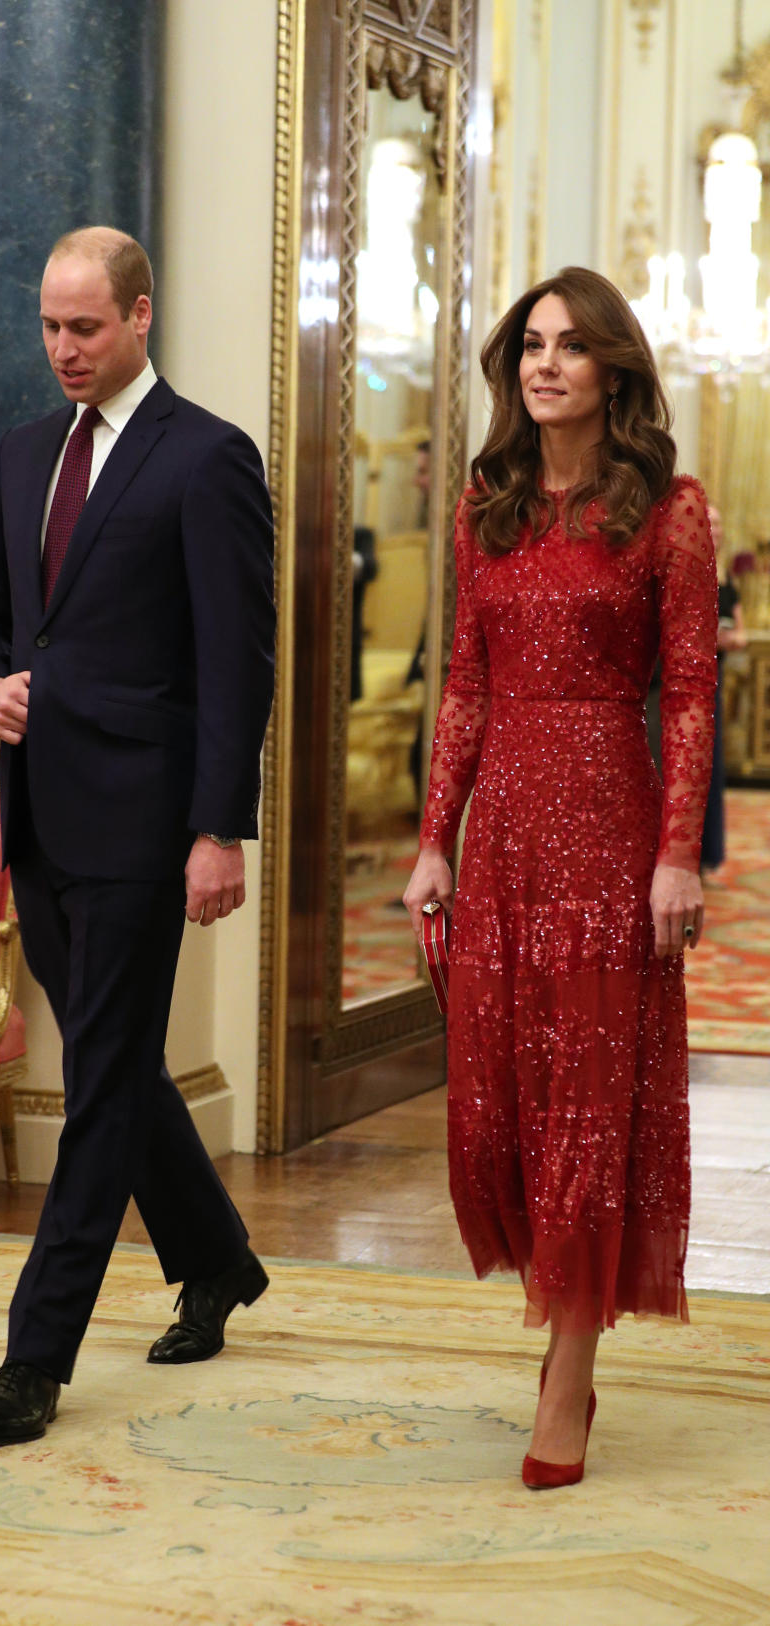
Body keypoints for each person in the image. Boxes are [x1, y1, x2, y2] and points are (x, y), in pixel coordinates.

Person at [0, 227, 276, 1448]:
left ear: (142, 316)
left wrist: (218, 831)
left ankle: (34, 1360)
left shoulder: (208, 459)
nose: (63, 349)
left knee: (96, 1086)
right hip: (40, 815)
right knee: (122, 1064)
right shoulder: (23, 452)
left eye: (85, 327)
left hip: (147, 828)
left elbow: (236, 668)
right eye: (49, 325)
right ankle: (218, 1259)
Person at [403, 266, 717, 1489]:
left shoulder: (667, 511)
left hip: (607, 828)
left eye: (570, 348)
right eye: (530, 345)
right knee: (506, 1104)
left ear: (613, 373)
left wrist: (677, 855)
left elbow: (687, 695)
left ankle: (572, 1373)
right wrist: (438, 836)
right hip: (505, 848)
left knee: (591, 1101)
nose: (544, 365)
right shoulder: (491, 503)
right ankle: (560, 1311)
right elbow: (468, 685)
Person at [700, 503, 747, 874]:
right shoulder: (686, 571)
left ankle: (708, 854)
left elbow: (742, 635)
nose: (713, 529)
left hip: (712, 682)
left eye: (718, 523)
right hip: (677, 681)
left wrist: (725, 640)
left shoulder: (728, 582)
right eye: (708, 522)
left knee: (711, 771)